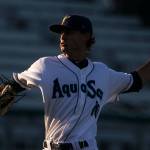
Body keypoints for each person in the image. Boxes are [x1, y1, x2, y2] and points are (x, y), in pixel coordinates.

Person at [6, 15, 150, 150]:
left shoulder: (102, 73)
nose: (63, 37)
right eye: (61, 33)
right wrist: (7, 91)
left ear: (85, 36)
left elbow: (136, 80)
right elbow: (13, 85)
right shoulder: (46, 66)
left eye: (68, 32)